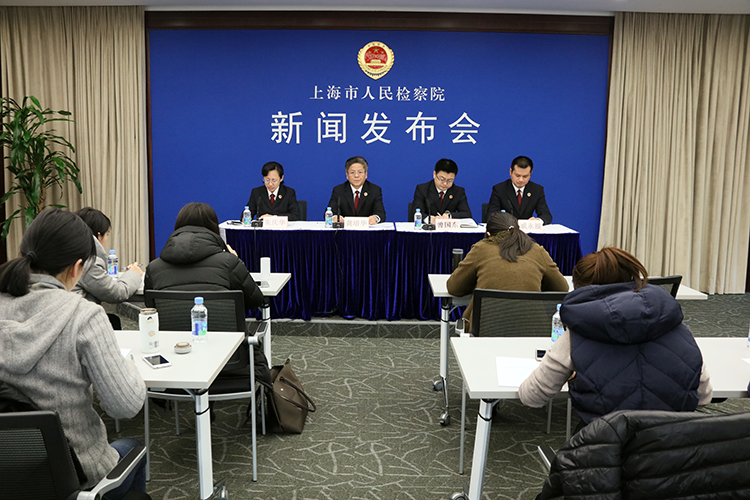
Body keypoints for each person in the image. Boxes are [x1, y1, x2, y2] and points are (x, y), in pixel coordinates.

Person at [0, 208, 147, 498]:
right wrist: (126, 364)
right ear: (77, 268)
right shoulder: (83, 316)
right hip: (76, 477)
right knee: (133, 448)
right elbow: (126, 405)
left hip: (6, 474)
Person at [518, 247, 713, 430]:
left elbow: (531, 397)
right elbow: (704, 397)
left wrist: (576, 376)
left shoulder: (573, 338)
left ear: (580, 290)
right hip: (672, 446)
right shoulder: (677, 328)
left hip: (606, 448)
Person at [446, 212, 568, 332]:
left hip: (485, 331)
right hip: (532, 332)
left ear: (488, 234)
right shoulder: (537, 250)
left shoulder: (481, 248)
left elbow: (454, 288)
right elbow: (562, 288)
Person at [144, 202, 264, 312]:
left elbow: (150, 305)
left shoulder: (154, 268)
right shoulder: (229, 262)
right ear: (213, 227)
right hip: (221, 328)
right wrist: (235, 260)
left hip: (170, 329)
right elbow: (255, 300)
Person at [72, 207, 143, 329]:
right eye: (107, 234)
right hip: (79, 324)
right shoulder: (88, 261)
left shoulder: (70, 253)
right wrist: (134, 273)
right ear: (99, 236)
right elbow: (117, 293)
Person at [487, 155, 552, 224]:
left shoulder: (537, 190)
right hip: (506, 228)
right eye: (517, 175)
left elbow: (546, 215)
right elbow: (491, 215)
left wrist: (537, 221)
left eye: (525, 176)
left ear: (531, 173)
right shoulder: (499, 189)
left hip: (527, 229)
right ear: (510, 171)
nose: (521, 180)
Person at [327, 156, 386, 225]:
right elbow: (330, 211)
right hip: (345, 229)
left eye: (360, 172)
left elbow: (381, 213)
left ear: (366, 174)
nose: (356, 176)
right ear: (347, 175)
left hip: (367, 229)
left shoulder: (374, 190)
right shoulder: (339, 190)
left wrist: (375, 218)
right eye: (352, 172)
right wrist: (334, 217)